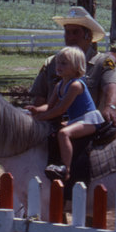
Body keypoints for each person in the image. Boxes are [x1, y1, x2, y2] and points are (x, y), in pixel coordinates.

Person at [29, 6, 116, 126]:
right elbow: (40, 97)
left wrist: (110, 106)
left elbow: (112, 89)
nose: (70, 37)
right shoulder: (52, 63)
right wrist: (35, 113)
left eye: (76, 32)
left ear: (89, 36)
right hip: (51, 124)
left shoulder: (102, 63)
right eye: (67, 32)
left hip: (85, 126)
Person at [27, 47, 106, 181]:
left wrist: (40, 117)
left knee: (64, 133)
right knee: (53, 131)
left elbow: (61, 109)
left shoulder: (76, 85)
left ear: (76, 66)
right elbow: (50, 106)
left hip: (88, 120)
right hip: (76, 119)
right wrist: (36, 110)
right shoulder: (59, 85)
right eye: (58, 62)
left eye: (64, 63)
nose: (59, 66)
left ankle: (66, 168)